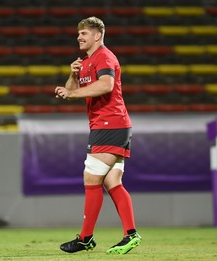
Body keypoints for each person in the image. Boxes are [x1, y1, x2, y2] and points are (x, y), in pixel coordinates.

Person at [55, 16, 141, 255]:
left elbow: (106, 85)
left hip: (110, 125)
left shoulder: (104, 56)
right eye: (78, 33)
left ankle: (85, 238)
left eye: (84, 33)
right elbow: (70, 93)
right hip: (111, 125)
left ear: (97, 35)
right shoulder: (84, 62)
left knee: (90, 178)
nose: (79, 37)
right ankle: (131, 235)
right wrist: (72, 76)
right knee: (112, 181)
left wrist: (73, 93)